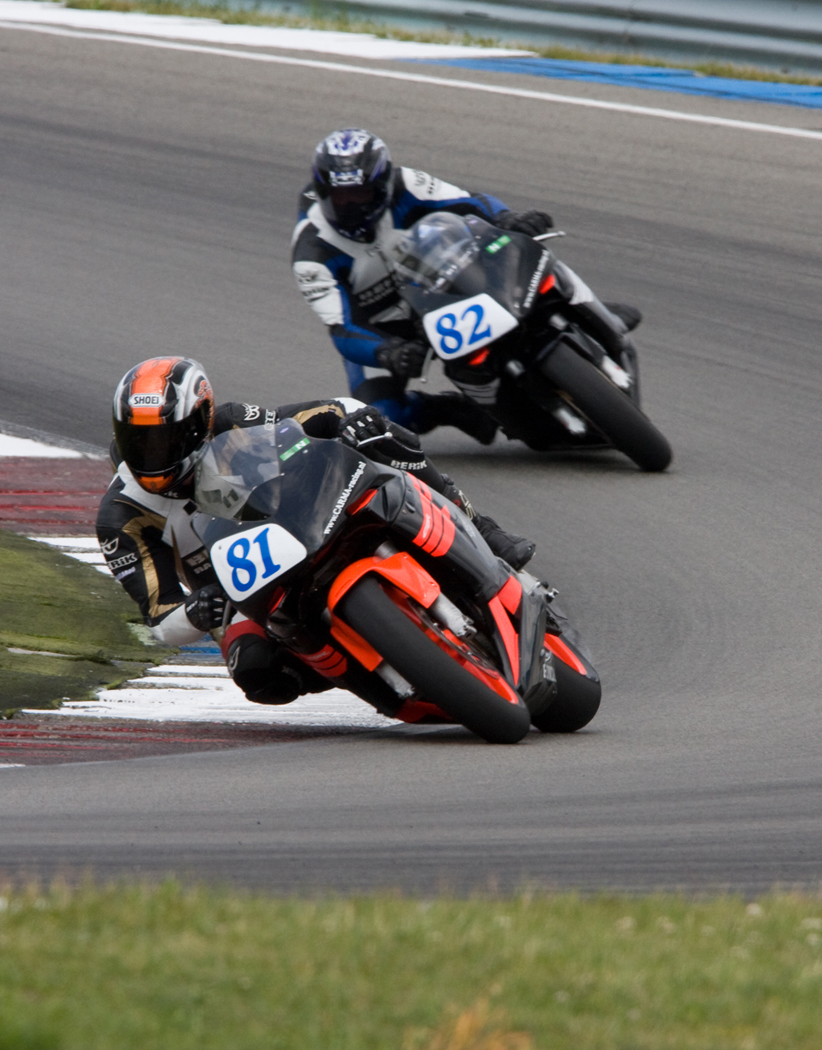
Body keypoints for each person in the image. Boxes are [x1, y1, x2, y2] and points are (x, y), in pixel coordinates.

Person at [95, 356, 534, 704]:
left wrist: (354, 425)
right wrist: (196, 612)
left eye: (164, 440)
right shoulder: (122, 516)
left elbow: (329, 411)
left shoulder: (232, 424)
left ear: (200, 422)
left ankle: (481, 529)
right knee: (258, 673)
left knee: (384, 441)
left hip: (310, 522)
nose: (152, 455)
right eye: (139, 442)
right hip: (244, 598)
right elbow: (160, 617)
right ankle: (367, 673)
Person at [291, 128, 640, 440]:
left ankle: (585, 309)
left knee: (524, 250)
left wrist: (509, 218)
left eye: (361, 194)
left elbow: (471, 202)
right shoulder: (311, 253)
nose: (351, 206)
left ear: (381, 185)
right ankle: (452, 409)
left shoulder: (406, 183)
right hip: (385, 328)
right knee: (382, 420)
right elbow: (344, 329)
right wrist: (387, 351)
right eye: (341, 197)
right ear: (323, 192)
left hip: (441, 284)